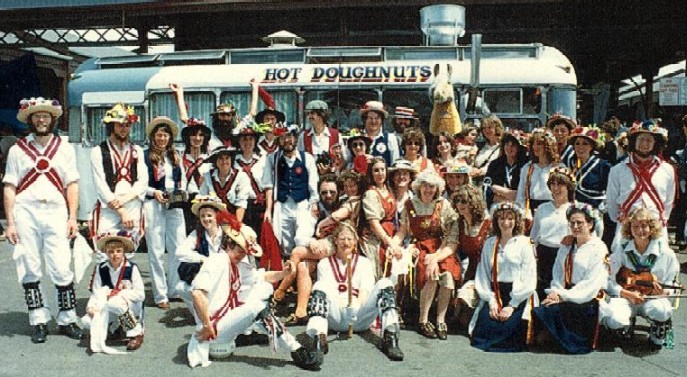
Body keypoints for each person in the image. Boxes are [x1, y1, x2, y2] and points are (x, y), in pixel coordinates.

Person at [186, 212, 322, 370]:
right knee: (257, 307)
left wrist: (283, 274)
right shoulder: (217, 261)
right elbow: (197, 293)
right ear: (229, 244)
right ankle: (297, 350)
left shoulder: (235, 265)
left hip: (222, 321)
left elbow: (262, 276)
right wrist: (207, 326)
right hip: (211, 331)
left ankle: (252, 333)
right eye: (240, 250)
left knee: (262, 290)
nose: (243, 255)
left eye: (245, 252)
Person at [4, 97, 83, 343]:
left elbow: (72, 184)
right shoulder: (17, 150)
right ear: (29, 119)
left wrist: (72, 217)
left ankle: (67, 319)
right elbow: (9, 186)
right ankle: (38, 320)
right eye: (37, 116)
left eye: (46, 116)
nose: (41, 120)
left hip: (56, 211)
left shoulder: (64, 148)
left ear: (52, 119)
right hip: (25, 211)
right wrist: (10, 222)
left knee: (61, 266)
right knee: (29, 266)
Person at [302, 222, 404, 363]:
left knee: (385, 284)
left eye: (350, 239)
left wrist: (356, 303)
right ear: (335, 240)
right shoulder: (324, 264)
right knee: (319, 286)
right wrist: (344, 304)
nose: (346, 242)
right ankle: (318, 340)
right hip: (336, 317)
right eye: (342, 238)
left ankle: (390, 338)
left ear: (355, 241)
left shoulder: (364, 262)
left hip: (360, 317)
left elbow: (366, 290)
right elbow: (328, 292)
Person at [390, 170, 459, 340]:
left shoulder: (444, 205)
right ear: (419, 187)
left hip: (441, 247)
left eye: (432, 186)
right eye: (425, 186)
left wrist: (437, 256)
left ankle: (440, 319)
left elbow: (452, 237)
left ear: (438, 189)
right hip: (420, 247)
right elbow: (403, 230)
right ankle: (423, 319)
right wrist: (393, 244)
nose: (428, 190)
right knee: (430, 274)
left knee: (448, 274)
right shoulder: (410, 205)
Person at [533, 203, 608, 354]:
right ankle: (553, 336)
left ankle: (561, 338)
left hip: (585, 299)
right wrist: (555, 292)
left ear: (590, 223)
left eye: (580, 223)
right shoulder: (567, 245)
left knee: (555, 314)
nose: (575, 226)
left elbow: (591, 284)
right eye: (572, 223)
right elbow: (558, 274)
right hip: (564, 293)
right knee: (542, 309)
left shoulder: (598, 248)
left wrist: (563, 296)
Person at [604, 208, 680, 350]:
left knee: (662, 310)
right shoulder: (621, 250)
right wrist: (626, 293)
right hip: (627, 298)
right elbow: (608, 279)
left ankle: (658, 326)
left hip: (652, 299)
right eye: (635, 226)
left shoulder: (666, 253)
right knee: (614, 319)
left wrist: (663, 293)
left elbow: (672, 283)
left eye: (644, 226)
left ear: (652, 228)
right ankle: (627, 322)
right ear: (630, 229)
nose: (640, 230)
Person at [470, 202, 536, 352]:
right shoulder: (490, 243)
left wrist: (512, 305)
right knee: (485, 329)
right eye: (501, 218)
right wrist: (491, 300)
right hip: (496, 292)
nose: (506, 222)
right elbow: (483, 273)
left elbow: (529, 276)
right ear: (496, 221)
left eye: (510, 218)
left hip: (518, 294)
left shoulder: (524, 243)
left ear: (516, 220)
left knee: (511, 330)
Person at [606, 120, 675, 247]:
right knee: (623, 264)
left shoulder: (667, 170)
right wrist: (624, 221)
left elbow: (668, 202)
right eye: (641, 139)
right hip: (626, 229)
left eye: (649, 140)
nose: (645, 144)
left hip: (656, 228)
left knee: (658, 263)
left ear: (655, 144)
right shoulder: (617, 170)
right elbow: (611, 202)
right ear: (634, 142)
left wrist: (658, 219)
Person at [90, 103, 148, 250]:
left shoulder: (137, 150)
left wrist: (126, 201)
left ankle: (125, 274)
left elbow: (143, 181)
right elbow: (100, 184)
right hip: (109, 206)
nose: (124, 129)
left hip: (132, 204)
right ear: (111, 126)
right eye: (120, 125)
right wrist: (120, 209)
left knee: (129, 247)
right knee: (103, 246)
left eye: (127, 125)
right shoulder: (98, 151)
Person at [143, 116, 187, 309]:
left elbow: (182, 179)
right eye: (159, 135)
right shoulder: (144, 156)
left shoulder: (175, 156)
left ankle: (173, 288)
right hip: (153, 203)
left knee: (178, 247)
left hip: (174, 204)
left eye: (165, 135)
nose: (162, 138)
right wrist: (154, 192)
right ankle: (160, 295)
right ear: (153, 137)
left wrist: (180, 193)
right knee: (156, 250)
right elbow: (138, 185)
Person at [262, 126, 319, 257]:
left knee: (302, 237)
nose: (286, 140)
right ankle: (287, 267)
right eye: (282, 138)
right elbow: (268, 185)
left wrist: (314, 203)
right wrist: (268, 209)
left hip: (302, 203)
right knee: (284, 241)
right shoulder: (273, 159)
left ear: (295, 138)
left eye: (289, 137)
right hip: (282, 204)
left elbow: (313, 182)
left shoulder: (307, 158)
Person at [85, 232, 145, 352]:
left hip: (130, 304)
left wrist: (117, 293)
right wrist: (91, 306)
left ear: (123, 252)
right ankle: (115, 328)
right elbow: (96, 291)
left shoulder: (131, 268)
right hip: (107, 302)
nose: (115, 255)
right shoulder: (100, 268)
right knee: (87, 321)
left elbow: (140, 295)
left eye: (118, 251)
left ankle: (135, 332)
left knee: (115, 303)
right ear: (106, 253)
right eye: (111, 252)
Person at [175, 195, 227, 321]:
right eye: (202, 216)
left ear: (216, 216)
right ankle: (201, 316)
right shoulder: (197, 234)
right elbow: (180, 252)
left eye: (209, 215)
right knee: (180, 287)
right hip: (208, 274)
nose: (206, 219)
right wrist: (203, 259)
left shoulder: (227, 233)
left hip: (225, 275)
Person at [530, 167, 577, 300]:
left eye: (560, 184)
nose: (556, 188)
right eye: (553, 184)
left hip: (565, 255)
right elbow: (534, 237)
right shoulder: (542, 209)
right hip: (544, 256)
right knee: (542, 293)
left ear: (569, 187)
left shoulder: (575, 209)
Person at [449, 186, 491, 327]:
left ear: (474, 203)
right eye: (457, 201)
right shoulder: (459, 223)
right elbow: (451, 247)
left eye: (464, 201)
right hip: (471, 270)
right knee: (461, 316)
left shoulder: (487, 224)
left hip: (487, 271)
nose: (460, 204)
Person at [359, 157, 396, 279]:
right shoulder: (371, 193)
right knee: (377, 272)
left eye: (382, 169)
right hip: (376, 238)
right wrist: (388, 241)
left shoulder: (389, 189)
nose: (380, 173)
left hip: (391, 232)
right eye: (376, 170)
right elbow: (373, 222)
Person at [516, 128, 560, 223]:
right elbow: (521, 194)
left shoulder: (557, 168)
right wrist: (524, 212)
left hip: (552, 210)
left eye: (539, 143)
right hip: (531, 212)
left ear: (548, 145)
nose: (535, 147)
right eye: (533, 143)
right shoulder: (527, 168)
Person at [199, 147, 251, 223]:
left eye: (227, 158)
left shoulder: (241, 177)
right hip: (212, 221)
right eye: (220, 158)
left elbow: (241, 204)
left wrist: (236, 226)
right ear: (215, 161)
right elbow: (203, 201)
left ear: (231, 160)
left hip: (234, 220)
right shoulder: (207, 177)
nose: (224, 161)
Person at [565, 126, 611, 209]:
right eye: (577, 143)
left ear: (592, 146)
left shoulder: (603, 166)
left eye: (585, 143)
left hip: (594, 211)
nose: (580, 147)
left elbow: (610, 192)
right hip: (572, 211)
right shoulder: (569, 163)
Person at [233, 125, 267, 236]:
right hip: (240, 205)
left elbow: (268, 184)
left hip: (258, 205)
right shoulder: (233, 162)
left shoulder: (263, 160)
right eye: (244, 139)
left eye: (250, 139)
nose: (247, 142)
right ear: (239, 142)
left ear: (255, 141)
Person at [297, 100, 346, 174]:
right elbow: (299, 159)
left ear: (322, 114)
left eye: (312, 113)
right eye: (308, 114)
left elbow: (343, 159)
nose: (309, 116)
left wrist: (331, 169)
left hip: (331, 178)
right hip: (310, 177)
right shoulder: (303, 135)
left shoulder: (336, 135)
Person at [484, 131, 528, 208]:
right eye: (507, 145)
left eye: (513, 145)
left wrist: (498, 190)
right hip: (498, 205)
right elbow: (487, 190)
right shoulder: (495, 165)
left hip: (521, 206)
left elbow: (525, 193)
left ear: (519, 147)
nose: (509, 148)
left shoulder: (526, 165)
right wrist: (508, 196)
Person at [361, 101, 400, 166]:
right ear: (365, 119)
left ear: (382, 120)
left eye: (377, 118)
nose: (374, 121)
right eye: (370, 118)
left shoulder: (390, 138)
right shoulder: (357, 137)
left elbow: (395, 165)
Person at [471, 115, 503, 188]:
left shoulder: (503, 146)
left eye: (489, 127)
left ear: (497, 128)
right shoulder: (480, 146)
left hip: (494, 184)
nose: (486, 130)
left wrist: (481, 172)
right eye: (484, 128)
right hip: (477, 184)